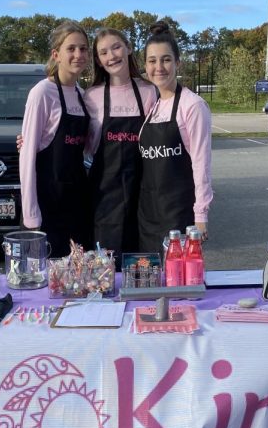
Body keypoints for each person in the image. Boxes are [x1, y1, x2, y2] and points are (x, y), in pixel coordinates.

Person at [136, 20, 213, 254]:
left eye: (166, 59)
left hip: (179, 217)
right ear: (145, 65)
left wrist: (201, 215)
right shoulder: (152, 106)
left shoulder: (193, 105)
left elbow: (201, 165)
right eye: (152, 61)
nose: (159, 67)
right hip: (148, 217)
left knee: (179, 284)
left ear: (177, 63)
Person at [19, 20, 93, 258]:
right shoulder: (42, 92)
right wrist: (31, 215)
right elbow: (27, 156)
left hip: (77, 202)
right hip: (47, 204)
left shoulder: (83, 96)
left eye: (83, 49)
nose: (78, 54)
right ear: (56, 54)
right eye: (71, 48)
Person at [84, 28, 158, 265]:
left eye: (116, 47)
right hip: (104, 197)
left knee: (142, 265)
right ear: (98, 60)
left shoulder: (149, 91)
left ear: (128, 47)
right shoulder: (91, 96)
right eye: (103, 52)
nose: (111, 56)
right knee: (105, 268)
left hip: (143, 193)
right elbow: (78, 142)